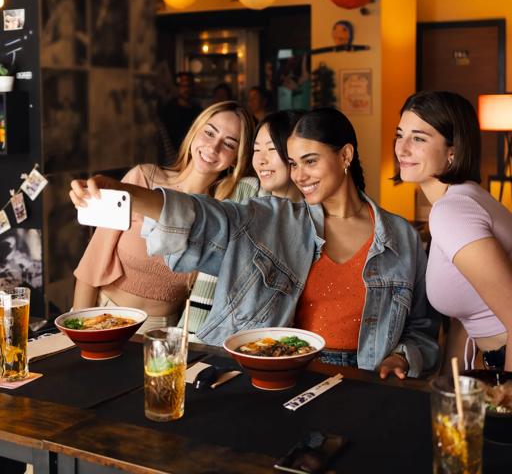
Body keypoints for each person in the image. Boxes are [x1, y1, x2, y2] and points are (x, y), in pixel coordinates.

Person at [70, 108, 439, 379]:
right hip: (286, 374)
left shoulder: (400, 237)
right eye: (293, 163)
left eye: (310, 161)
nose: (299, 175)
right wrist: (126, 192)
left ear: (344, 155)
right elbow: (205, 219)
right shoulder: (277, 219)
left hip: (365, 379)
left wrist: (403, 356)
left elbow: (421, 326)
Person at [72, 101, 255, 334]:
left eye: (229, 143)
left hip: (161, 331)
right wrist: (78, 329)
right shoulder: (143, 179)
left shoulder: (219, 213)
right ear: (195, 132)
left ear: (237, 158)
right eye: (209, 133)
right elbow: (91, 264)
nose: (213, 147)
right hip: (102, 313)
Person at [395, 90, 512, 371]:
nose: (402, 148)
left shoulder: (452, 212)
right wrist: (446, 384)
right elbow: (464, 319)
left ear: (453, 151)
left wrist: (507, 399)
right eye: (400, 134)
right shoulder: (466, 197)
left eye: (419, 138)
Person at [181, 110, 304, 340]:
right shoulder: (246, 189)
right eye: (256, 149)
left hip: (254, 341)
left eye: (271, 148)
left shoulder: (309, 218)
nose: (262, 159)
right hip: (197, 329)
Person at [158, 72, 203, 151]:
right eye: (182, 86)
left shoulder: (197, 110)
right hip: (173, 155)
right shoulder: (168, 110)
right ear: (177, 88)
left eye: (188, 86)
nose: (186, 89)